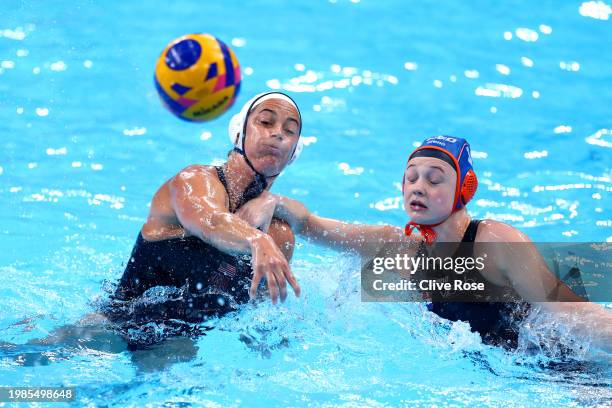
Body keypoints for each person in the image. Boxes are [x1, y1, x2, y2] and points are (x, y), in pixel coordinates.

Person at [239, 135, 612, 350]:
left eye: (435, 179)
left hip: (557, 366)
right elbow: (312, 224)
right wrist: (274, 202)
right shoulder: (399, 246)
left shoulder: (493, 241)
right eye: (411, 178)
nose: (418, 186)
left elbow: (569, 310)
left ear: (464, 189)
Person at [107, 91, 304, 327]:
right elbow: (212, 222)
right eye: (265, 122)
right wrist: (256, 239)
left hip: (186, 345)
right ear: (239, 134)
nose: (277, 134)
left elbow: (259, 323)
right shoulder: (192, 182)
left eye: (290, 131)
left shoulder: (278, 236)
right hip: (113, 325)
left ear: (293, 154)